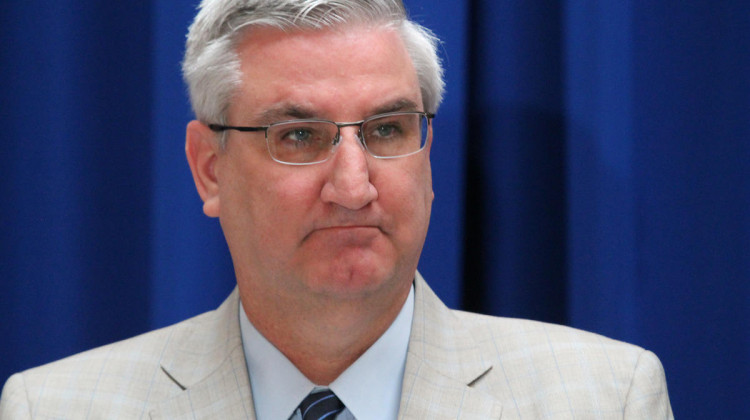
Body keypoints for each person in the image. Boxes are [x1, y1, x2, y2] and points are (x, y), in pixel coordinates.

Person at [0, 0, 673, 418]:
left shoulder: (601, 400)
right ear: (210, 169)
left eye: (386, 130)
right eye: (299, 136)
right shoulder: (56, 409)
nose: (354, 186)